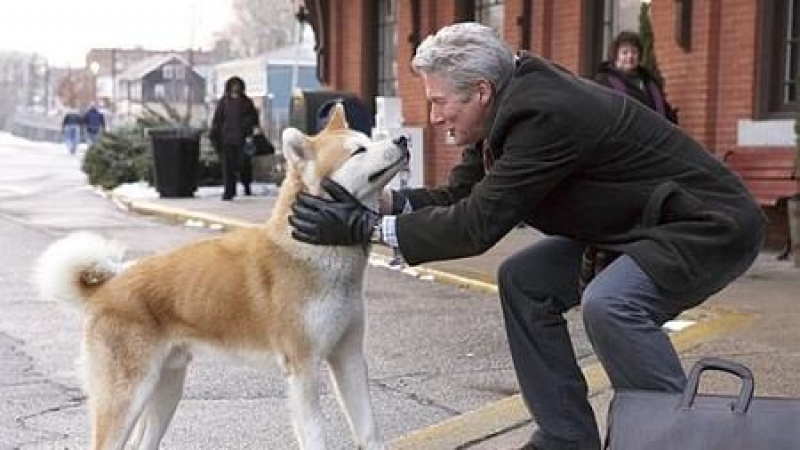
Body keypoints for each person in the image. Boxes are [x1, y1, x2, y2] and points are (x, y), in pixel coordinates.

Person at [289, 23, 765, 449]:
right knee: (524, 280)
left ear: (479, 91)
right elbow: (460, 197)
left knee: (611, 304)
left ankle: (676, 438)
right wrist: (376, 204)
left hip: (705, 224)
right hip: (637, 228)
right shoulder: (503, 108)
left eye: (438, 102)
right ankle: (566, 437)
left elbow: (477, 225)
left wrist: (364, 229)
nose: (433, 116)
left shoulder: (544, 115)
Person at [595, 30, 678, 124]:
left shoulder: (650, 81)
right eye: (624, 52)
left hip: (654, 135)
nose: (630, 57)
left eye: (634, 52)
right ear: (615, 56)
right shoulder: (604, 82)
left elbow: (664, 110)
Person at [209, 76, 259, 200]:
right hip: (226, 140)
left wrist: (249, 131)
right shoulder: (223, 102)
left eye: (237, 85)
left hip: (242, 140)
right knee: (228, 167)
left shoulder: (247, 102)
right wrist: (214, 135)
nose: (235, 88)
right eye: (233, 85)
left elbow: (254, 119)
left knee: (243, 165)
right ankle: (229, 191)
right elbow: (218, 120)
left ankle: (246, 184)